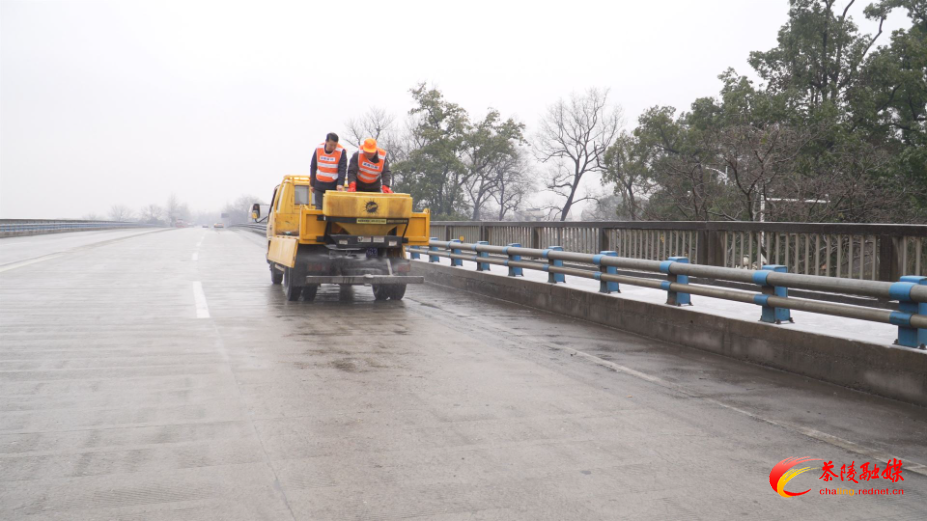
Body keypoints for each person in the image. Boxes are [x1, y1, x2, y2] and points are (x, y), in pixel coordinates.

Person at [310, 132, 347, 207]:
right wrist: (312, 184)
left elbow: (342, 169)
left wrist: (340, 184)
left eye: (335, 145)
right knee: (319, 211)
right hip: (319, 186)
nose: (333, 147)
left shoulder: (341, 151)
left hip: (333, 187)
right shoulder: (319, 149)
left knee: (332, 211)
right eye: (331, 145)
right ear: (326, 142)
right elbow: (313, 167)